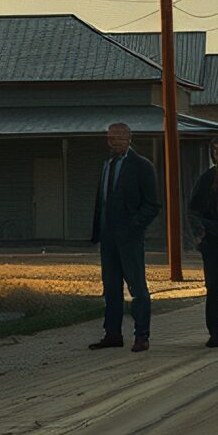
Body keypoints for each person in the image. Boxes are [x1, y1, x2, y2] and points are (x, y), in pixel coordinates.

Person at [86, 122, 159, 352]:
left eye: (117, 138)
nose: (113, 142)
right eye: (109, 138)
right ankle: (113, 332)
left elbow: (152, 204)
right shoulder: (107, 165)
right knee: (111, 286)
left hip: (129, 237)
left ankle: (141, 334)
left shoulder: (141, 165)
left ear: (128, 138)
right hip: (108, 236)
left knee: (137, 286)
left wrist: (135, 225)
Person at [186, 139, 218, 349]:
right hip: (212, 240)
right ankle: (215, 331)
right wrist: (200, 235)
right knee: (214, 288)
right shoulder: (207, 178)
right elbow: (194, 209)